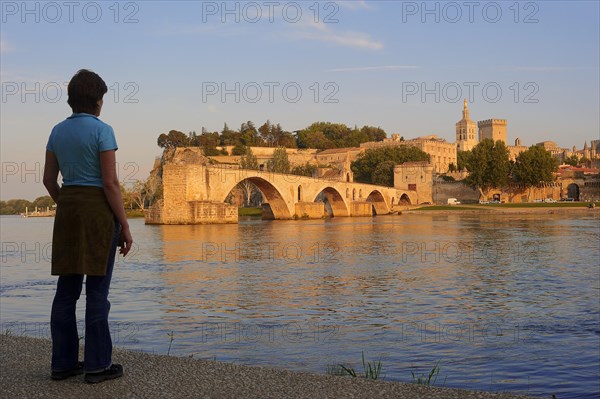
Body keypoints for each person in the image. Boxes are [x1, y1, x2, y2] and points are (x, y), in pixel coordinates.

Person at [43, 69, 133, 384]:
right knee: (97, 291)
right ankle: (97, 365)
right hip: (98, 212)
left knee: (66, 291)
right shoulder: (103, 130)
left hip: (68, 210)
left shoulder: (56, 131)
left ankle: (63, 364)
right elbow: (110, 183)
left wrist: (66, 204)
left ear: (71, 100)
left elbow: (47, 181)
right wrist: (124, 224)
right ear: (98, 101)